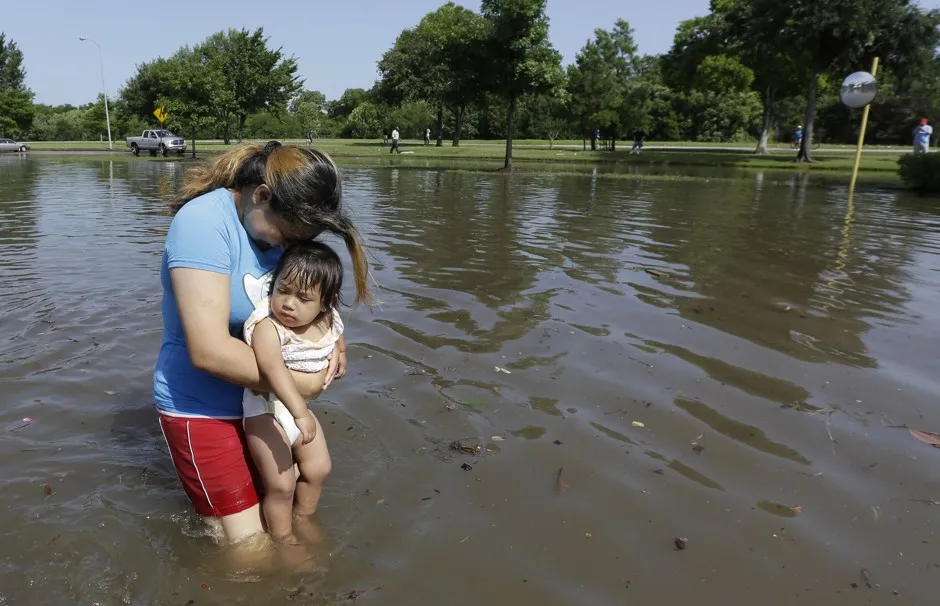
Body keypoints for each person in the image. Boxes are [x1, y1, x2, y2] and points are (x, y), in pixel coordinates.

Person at [153, 140, 371, 544]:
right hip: (204, 408)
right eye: (287, 237)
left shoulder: (274, 229)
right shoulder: (203, 223)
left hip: (263, 404)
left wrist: (335, 340)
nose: (287, 250)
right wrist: (301, 386)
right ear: (262, 196)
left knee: (291, 505)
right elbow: (209, 350)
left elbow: (308, 296)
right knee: (250, 548)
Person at [242, 242, 345, 542]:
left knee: (320, 468)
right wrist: (300, 412)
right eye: (283, 290)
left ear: (325, 304)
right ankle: (283, 537)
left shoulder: (327, 319)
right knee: (282, 484)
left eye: (303, 298)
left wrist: (342, 353)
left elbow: (338, 337)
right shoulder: (268, 326)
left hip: (296, 408)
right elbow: (273, 370)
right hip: (265, 409)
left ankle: (304, 518)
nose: (288, 303)